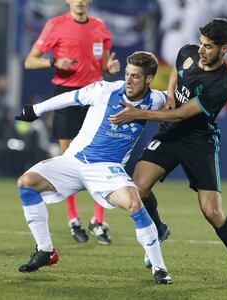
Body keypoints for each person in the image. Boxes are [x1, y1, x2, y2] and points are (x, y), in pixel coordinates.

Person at [109, 18, 227, 286]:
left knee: (211, 211)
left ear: (224, 49)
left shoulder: (220, 85)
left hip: (199, 140)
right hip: (171, 135)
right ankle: (159, 229)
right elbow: (177, 72)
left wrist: (138, 114)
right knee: (138, 188)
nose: (201, 50)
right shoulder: (187, 52)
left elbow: (178, 115)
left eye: (209, 47)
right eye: (201, 43)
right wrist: (169, 92)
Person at [15, 51, 173, 284]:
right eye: (127, 74)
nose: (128, 81)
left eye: (136, 77)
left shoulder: (157, 100)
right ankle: (46, 251)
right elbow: (70, 97)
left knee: (134, 203)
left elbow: (175, 105)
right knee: (26, 183)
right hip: (73, 162)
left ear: (149, 78)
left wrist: (172, 93)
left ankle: (159, 269)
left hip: (107, 170)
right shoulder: (105, 90)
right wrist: (36, 110)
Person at [24, 0, 120, 244]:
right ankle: (73, 220)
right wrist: (54, 63)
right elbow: (30, 61)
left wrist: (109, 67)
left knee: (102, 158)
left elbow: (104, 66)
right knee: (68, 161)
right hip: (67, 99)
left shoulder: (100, 27)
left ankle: (98, 221)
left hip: (95, 98)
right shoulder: (55, 25)